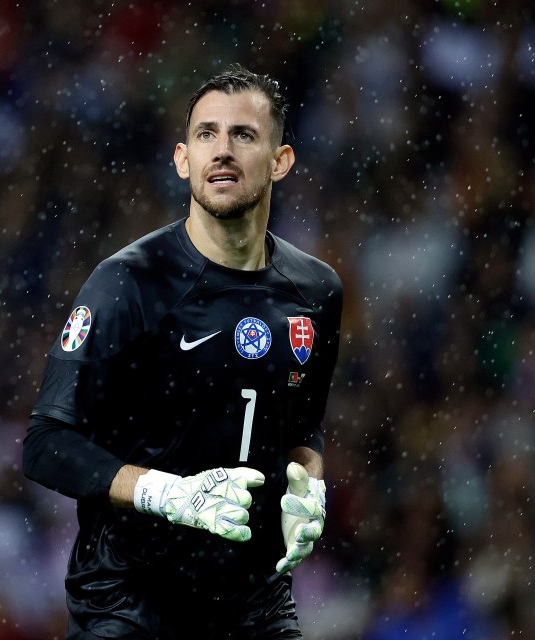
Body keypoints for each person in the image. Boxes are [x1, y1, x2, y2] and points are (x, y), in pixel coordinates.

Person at [22, 64, 343, 639]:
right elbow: (46, 444)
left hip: (253, 604)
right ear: (182, 159)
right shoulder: (128, 283)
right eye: (206, 134)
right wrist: (168, 493)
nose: (222, 150)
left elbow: (303, 425)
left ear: (280, 160)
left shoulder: (316, 292)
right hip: (128, 603)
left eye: (243, 135)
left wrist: (308, 487)